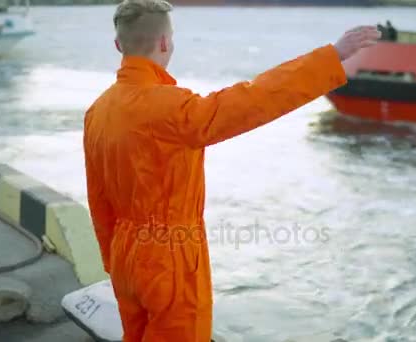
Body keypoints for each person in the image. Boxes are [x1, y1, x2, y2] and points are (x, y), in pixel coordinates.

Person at [83, 1, 380, 341]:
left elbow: (99, 199)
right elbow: (255, 99)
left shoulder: (98, 111)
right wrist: (332, 57)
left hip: (124, 254)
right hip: (170, 257)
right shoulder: (172, 107)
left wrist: (115, 262)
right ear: (165, 43)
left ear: (119, 46)